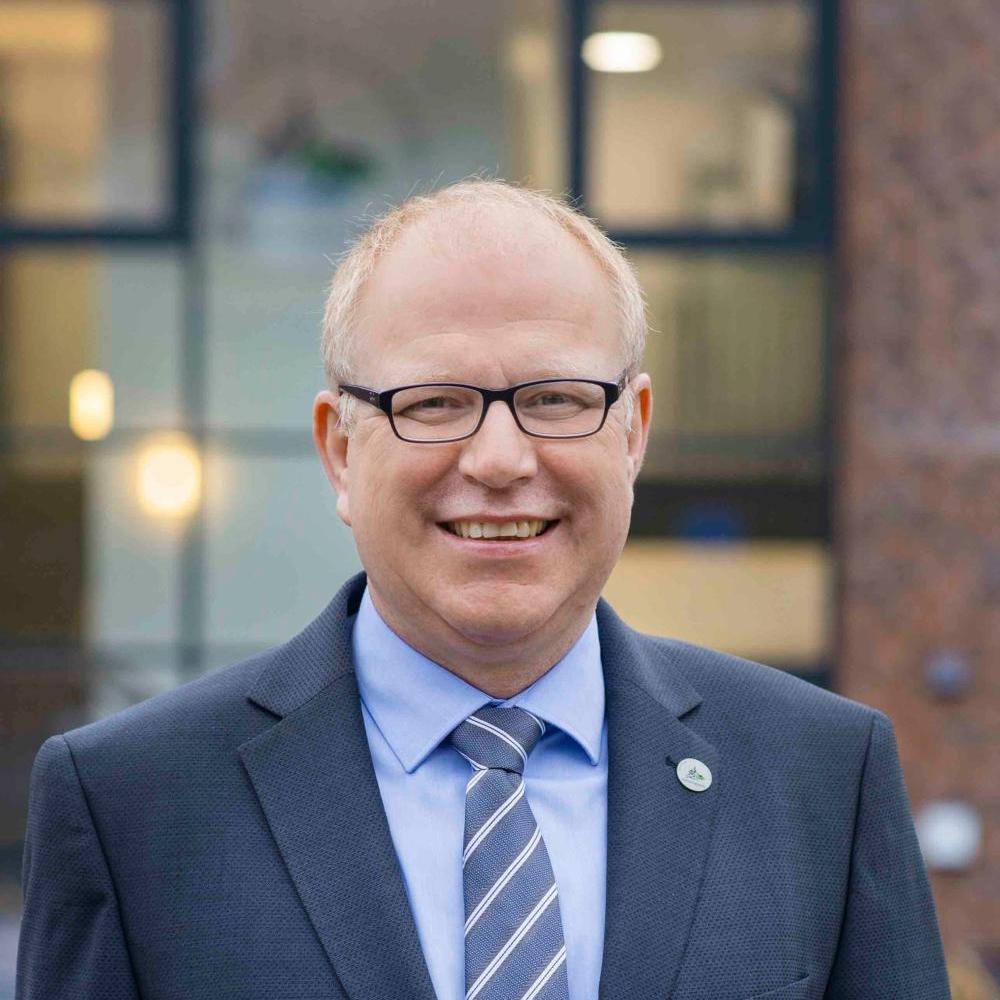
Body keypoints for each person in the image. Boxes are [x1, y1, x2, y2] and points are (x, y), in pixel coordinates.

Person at [17, 180, 949, 1000]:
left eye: (554, 399)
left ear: (632, 433)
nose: (500, 460)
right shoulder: (131, 806)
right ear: (340, 451)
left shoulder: (823, 779)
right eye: (434, 403)